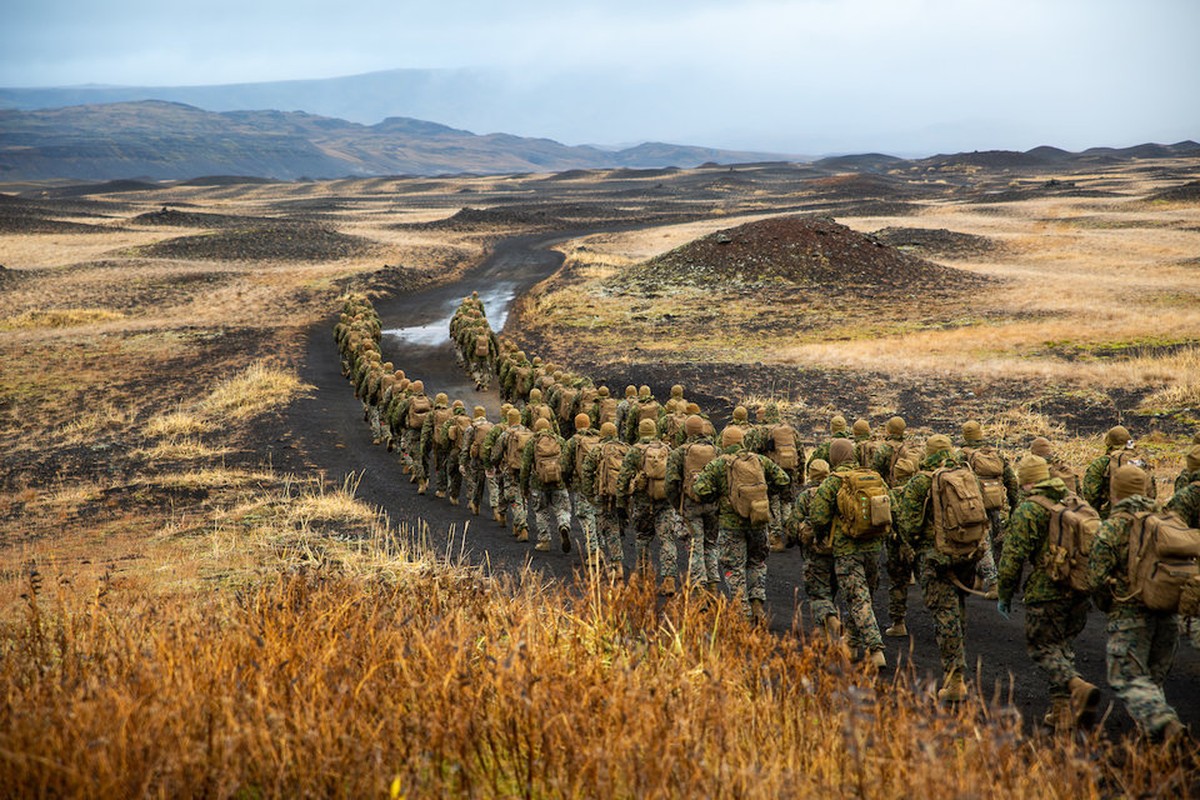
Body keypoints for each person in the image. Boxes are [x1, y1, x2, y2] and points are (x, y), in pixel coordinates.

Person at [996, 455, 1100, 731]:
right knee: (1063, 645)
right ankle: (1060, 710)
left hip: (1047, 591)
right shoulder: (1074, 502)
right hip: (1079, 588)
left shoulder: (1029, 510)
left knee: (1042, 647)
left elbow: (1012, 558)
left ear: (1026, 482)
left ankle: (1077, 687)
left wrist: (1005, 593)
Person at [1087, 465, 1188, 744]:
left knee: (1127, 677)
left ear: (1114, 491)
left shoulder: (1113, 527)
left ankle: (1166, 725)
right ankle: (1156, 750)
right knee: (1152, 683)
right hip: (1168, 616)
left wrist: (1110, 606)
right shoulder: (1168, 520)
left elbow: (1095, 579)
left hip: (1131, 615)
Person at [896, 434, 982, 703]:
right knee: (957, 609)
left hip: (935, 558)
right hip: (967, 553)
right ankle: (958, 663)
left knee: (944, 615)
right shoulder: (967, 476)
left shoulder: (921, 482)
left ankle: (955, 680)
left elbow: (907, 525)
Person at [691, 425, 792, 623]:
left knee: (734, 569)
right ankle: (757, 607)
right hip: (758, 522)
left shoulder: (719, 464)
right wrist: (762, 493)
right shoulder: (759, 461)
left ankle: (742, 613)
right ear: (742, 441)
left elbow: (700, 490)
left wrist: (720, 495)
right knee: (756, 564)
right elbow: (783, 479)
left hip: (731, 526)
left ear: (724, 442)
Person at [808, 439, 888, 666]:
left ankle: (875, 649)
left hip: (847, 550)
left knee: (857, 599)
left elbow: (818, 516)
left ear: (833, 457)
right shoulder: (873, 477)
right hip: (873, 547)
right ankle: (851, 645)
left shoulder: (833, 482)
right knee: (864, 599)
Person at [617, 418, 679, 595]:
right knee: (667, 539)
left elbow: (623, 478)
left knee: (643, 538)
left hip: (642, 503)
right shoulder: (667, 450)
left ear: (639, 431)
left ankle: (642, 578)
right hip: (665, 503)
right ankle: (669, 581)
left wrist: (621, 503)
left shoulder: (635, 451)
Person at [957, 419, 1017, 600]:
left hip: (975, 505)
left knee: (983, 542)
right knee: (992, 539)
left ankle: (993, 583)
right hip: (996, 502)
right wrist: (1014, 504)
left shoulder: (962, 455)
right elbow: (1011, 480)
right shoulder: (994, 454)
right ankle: (979, 578)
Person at [666, 414, 721, 593]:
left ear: (687, 431)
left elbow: (671, 484)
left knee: (695, 545)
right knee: (711, 544)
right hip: (713, 505)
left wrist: (677, 505)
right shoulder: (717, 451)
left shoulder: (679, 452)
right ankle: (713, 585)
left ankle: (699, 588)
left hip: (690, 505)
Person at [745, 403, 802, 553]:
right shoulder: (790, 430)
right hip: (790, 472)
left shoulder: (763, 431)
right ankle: (791, 531)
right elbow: (801, 454)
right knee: (787, 503)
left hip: (772, 473)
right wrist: (801, 475)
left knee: (773, 504)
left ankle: (776, 538)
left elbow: (753, 452)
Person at [795, 459, 839, 637]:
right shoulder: (838, 491)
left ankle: (831, 620)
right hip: (838, 550)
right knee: (831, 589)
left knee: (818, 593)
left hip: (815, 552)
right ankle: (823, 632)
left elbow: (793, 525)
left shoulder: (805, 496)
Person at [581, 421, 629, 578]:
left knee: (604, 529)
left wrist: (589, 496)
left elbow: (587, 473)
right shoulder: (626, 449)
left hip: (603, 496)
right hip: (622, 497)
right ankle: (621, 563)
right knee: (616, 527)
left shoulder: (597, 451)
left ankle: (610, 564)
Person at [520, 417, 572, 553]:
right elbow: (567, 463)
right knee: (562, 509)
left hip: (539, 484)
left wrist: (524, 487)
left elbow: (525, 467)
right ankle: (563, 525)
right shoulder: (559, 440)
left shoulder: (532, 442)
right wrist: (566, 481)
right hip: (558, 483)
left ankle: (544, 541)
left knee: (541, 512)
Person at [1082, 425, 1156, 519]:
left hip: (1111, 516)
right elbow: (1152, 492)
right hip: (1141, 516)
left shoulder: (1102, 463)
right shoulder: (1140, 461)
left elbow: (1090, 494)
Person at [883, 455, 919, 638]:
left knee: (898, 583)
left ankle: (898, 623)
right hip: (921, 543)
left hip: (897, 545)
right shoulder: (921, 490)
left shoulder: (891, 494)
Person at [563, 413, 603, 568]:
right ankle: (600, 547)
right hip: (599, 486)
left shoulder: (574, 441)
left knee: (586, 518)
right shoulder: (599, 439)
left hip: (581, 487)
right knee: (599, 516)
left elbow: (565, 466)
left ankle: (593, 552)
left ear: (576, 424)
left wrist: (567, 482)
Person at [458, 406, 493, 516]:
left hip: (476, 460)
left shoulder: (471, 428)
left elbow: (465, 448)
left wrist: (462, 463)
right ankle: (496, 508)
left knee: (477, 483)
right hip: (489, 460)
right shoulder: (491, 426)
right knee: (492, 484)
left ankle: (475, 504)